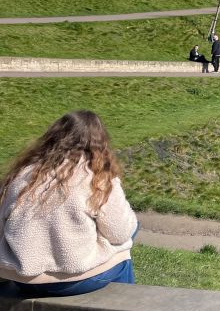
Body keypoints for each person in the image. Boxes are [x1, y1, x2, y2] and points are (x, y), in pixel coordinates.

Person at [0, 111, 138, 296]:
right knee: (126, 245)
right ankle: (123, 306)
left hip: (22, 278)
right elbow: (119, 234)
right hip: (75, 280)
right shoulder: (98, 178)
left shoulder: (22, 174)